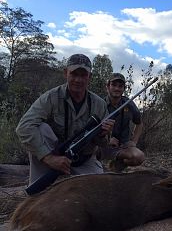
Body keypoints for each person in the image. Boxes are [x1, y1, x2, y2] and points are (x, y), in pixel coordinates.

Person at [16, 54, 114, 185]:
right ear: (65, 73)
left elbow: (103, 144)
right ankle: (39, 183)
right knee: (41, 129)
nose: (78, 80)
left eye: (83, 75)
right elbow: (23, 127)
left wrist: (103, 134)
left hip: (83, 161)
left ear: (90, 77)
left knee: (100, 194)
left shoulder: (99, 104)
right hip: (53, 156)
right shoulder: (51, 97)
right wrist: (48, 158)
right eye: (74, 74)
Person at [100, 73, 145, 172]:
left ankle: (118, 164)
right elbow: (93, 129)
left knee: (139, 156)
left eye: (120, 86)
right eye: (114, 85)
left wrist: (133, 142)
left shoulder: (128, 103)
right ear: (107, 86)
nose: (117, 88)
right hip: (104, 146)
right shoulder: (100, 103)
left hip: (123, 147)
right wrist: (107, 139)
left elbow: (139, 123)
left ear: (124, 89)